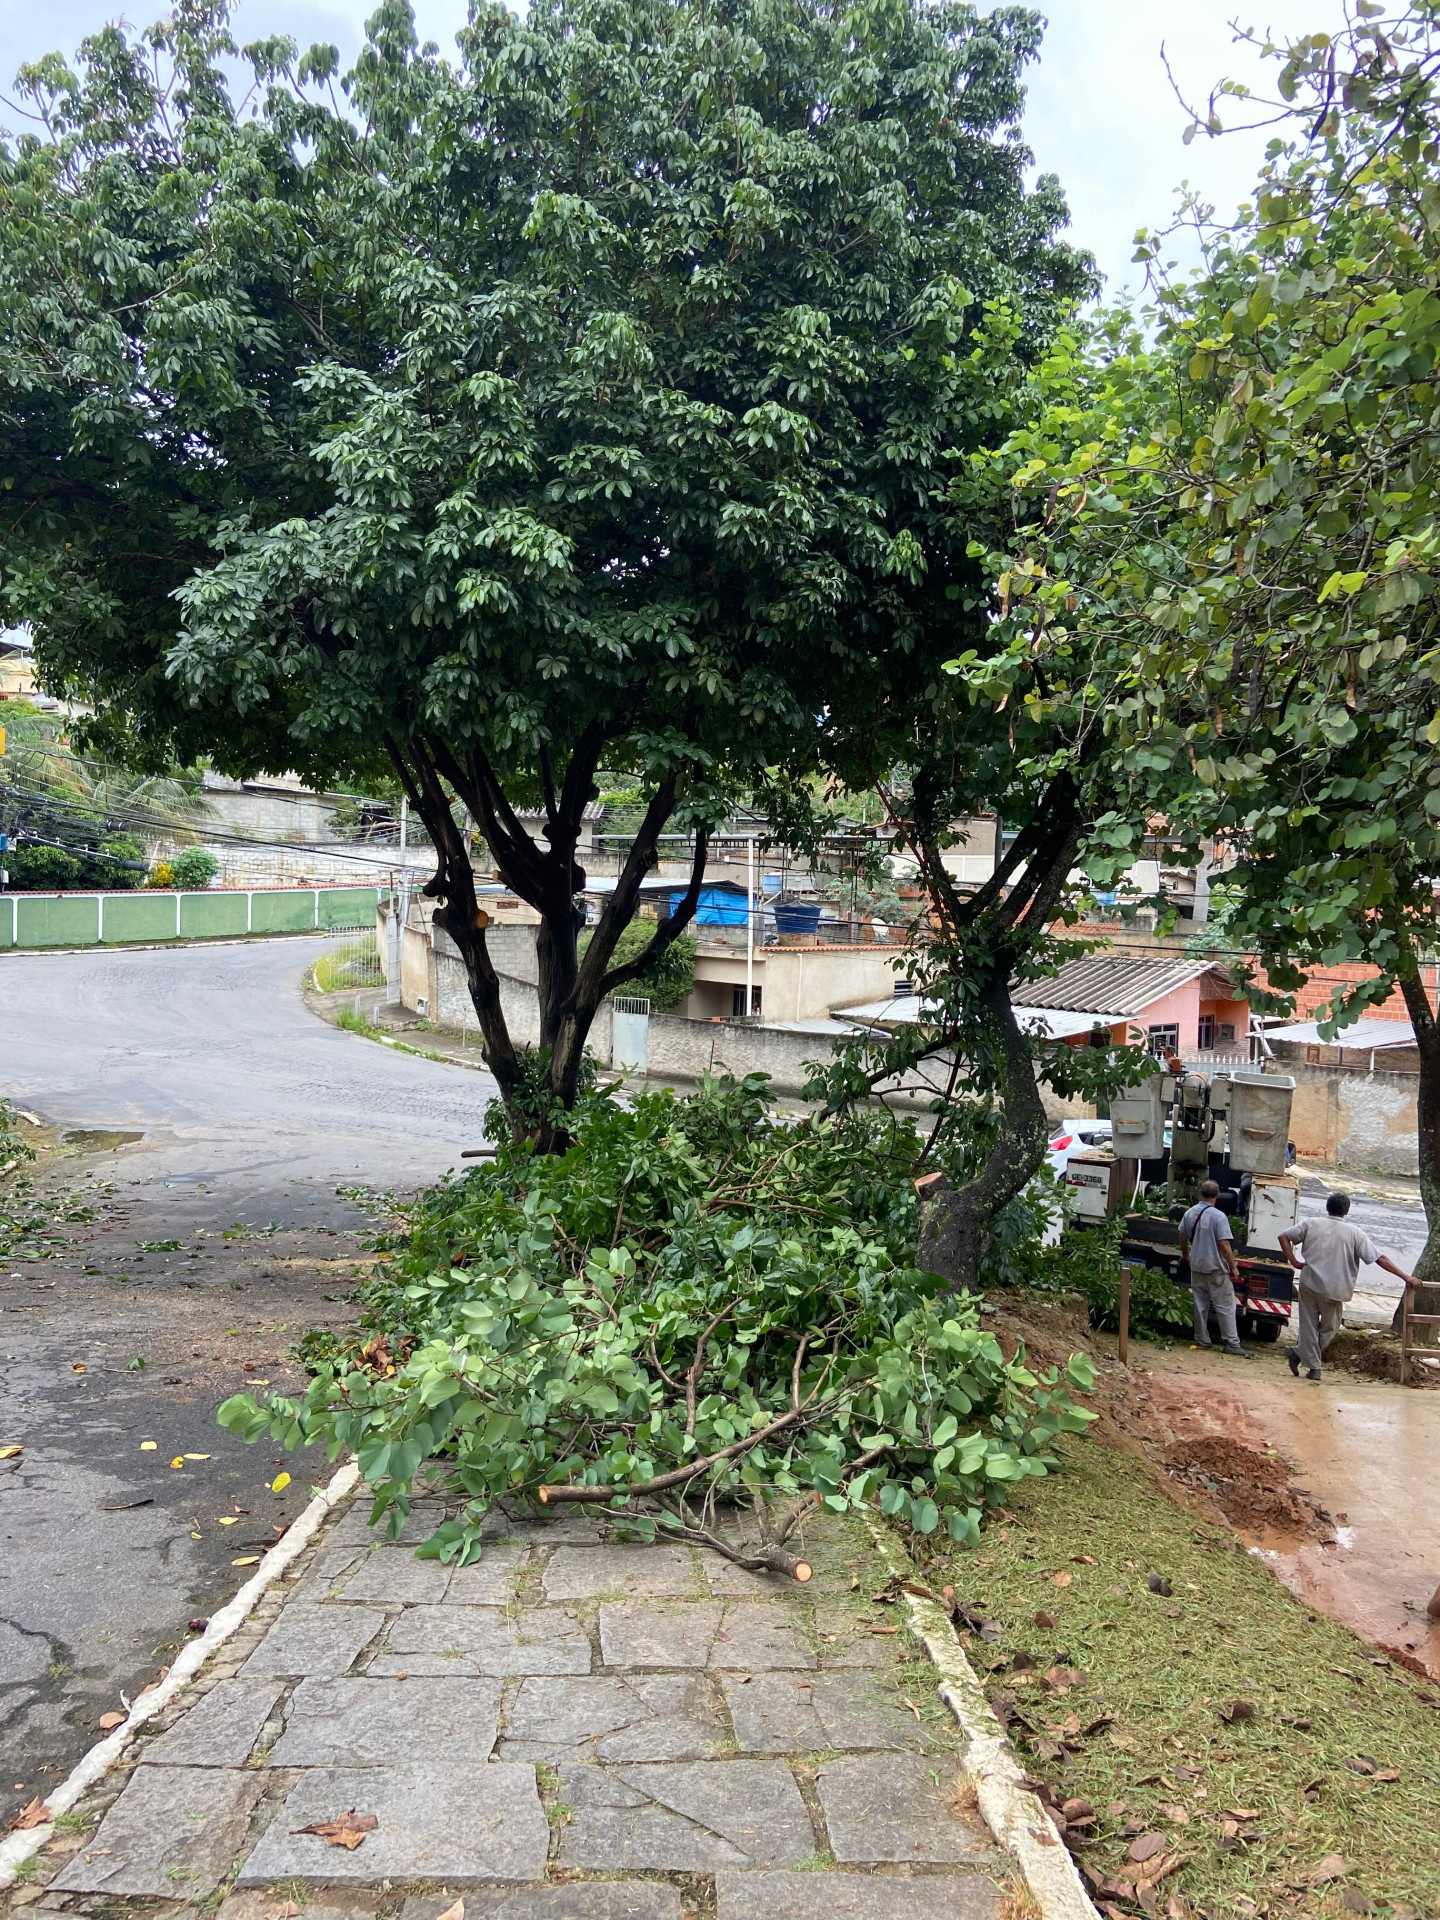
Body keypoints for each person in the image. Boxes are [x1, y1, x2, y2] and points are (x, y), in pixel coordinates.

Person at [1279, 1192, 1420, 1382]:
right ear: (1346, 1211)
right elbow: (1380, 1258)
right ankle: (1313, 1368)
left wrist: (1294, 1261)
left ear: (1327, 1207)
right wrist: (1405, 1277)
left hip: (1309, 1282)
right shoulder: (1355, 1233)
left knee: (1308, 1326)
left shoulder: (1311, 1223)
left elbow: (1283, 1236)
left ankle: (1300, 1354)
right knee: (1329, 1329)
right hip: (1336, 1288)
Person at [1179, 1179, 1250, 1357]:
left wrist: (1185, 1255)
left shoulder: (1189, 1213)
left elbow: (1182, 1235)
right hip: (1216, 1268)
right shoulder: (1219, 1216)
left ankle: (1202, 1340)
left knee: (1199, 1304)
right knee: (1225, 1305)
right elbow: (1224, 1244)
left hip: (1197, 1266)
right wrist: (1233, 1267)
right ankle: (1232, 1343)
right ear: (1217, 1196)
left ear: (1200, 1194)